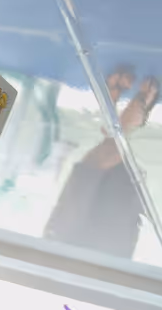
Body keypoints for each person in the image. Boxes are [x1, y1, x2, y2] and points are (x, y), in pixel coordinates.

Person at [45, 68, 160, 259]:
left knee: (92, 167)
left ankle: (129, 114)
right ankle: (128, 115)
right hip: (107, 259)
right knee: (121, 177)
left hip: (59, 253)